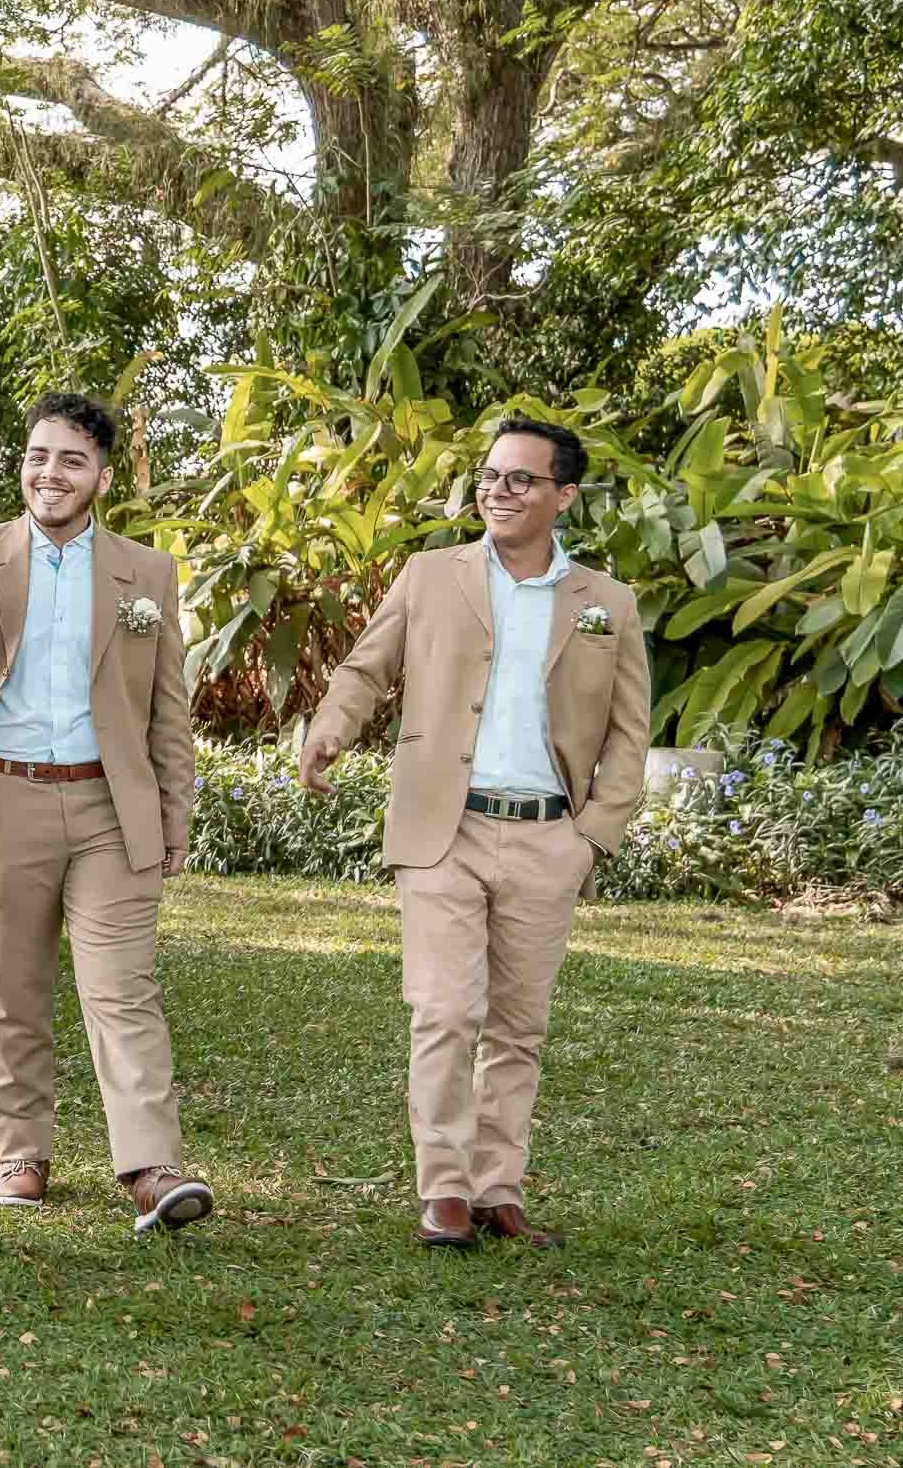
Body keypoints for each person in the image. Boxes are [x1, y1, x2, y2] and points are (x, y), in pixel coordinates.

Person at [299, 419, 651, 1249]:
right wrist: (328, 728)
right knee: (445, 1011)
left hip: (548, 836)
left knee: (518, 1027)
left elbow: (629, 734)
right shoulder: (431, 575)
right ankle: (446, 1188)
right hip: (441, 828)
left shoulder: (607, 602)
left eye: (521, 479)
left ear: (563, 495)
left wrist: (591, 836)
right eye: (490, 475)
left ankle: (499, 1187)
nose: (497, 489)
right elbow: (366, 666)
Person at [0, 393, 208, 1235]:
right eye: (38, 456)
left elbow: (169, 709)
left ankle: (152, 1164)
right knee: (13, 980)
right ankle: (21, 1150)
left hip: (109, 803)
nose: (49, 474)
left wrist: (173, 815)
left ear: (103, 477)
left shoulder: (145, 573)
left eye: (71, 461)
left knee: (123, 986)